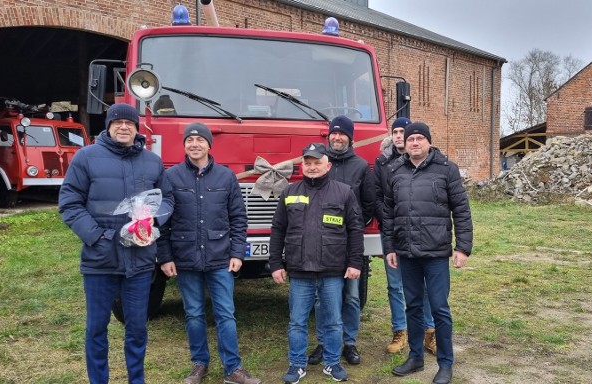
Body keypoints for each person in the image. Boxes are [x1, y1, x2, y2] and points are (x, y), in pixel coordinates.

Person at [59, 103, 172, 384]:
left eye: (129, 123)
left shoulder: (152, 161)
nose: (124, 127)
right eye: (118, 122)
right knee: (97, 327)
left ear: (137, 128)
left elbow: (167, 199)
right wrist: (98, 237)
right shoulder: (86, 158)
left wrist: (152, 222)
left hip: (141, 259)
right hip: (101, 259)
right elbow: (70, 204)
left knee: (137, 327)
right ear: (108, 126)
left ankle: (137, 379)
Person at [157, 123, 261, 384]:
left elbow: (238, 218)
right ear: (184, 145)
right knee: (193, 314)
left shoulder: (225, 177)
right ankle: (199, 364)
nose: (194, 144)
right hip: (185, 258)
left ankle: (233, 369)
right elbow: (162, 221)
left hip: (220, 258)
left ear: (208, 144)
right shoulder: (171, 177)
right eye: (189, 140)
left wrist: (238, 253)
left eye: (199, 140)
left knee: (226, 314)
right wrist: (165, 256)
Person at [381, 122, 473, 384]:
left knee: (440, 308)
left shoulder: (446, 170)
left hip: (435, 252)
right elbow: (388, 213)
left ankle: (445, 363)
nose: (414, 143)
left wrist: (463, 247)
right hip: (406, 252)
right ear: (405, 144)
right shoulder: (395, 171)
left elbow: (461, 210)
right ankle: (415, 357)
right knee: (413, 306)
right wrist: (390, 247)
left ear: (429, 142)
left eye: (420, 138)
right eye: (411, 139)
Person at [269, 142, 364, 384]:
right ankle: (297, 365)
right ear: (302, 165)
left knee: (333, 320)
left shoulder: (344, 192)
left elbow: (355, 230)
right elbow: (278, 229)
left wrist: (355, 263)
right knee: (297, 321)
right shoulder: (289, 192)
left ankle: (332, 363)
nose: (312, 167)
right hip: (299, 270)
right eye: (307, 163)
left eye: (317, 163)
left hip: (333, 270)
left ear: (328, 165)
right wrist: (275, 264)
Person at [308, 115, 375, 366]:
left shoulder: (361, 166)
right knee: (321, 296)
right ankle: (324, 342)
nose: (336, 138)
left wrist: (355, 223)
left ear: (350, 137)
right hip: (321, 243)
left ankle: (349, 342)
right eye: (333, 134)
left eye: (342, 134)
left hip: (349, 244)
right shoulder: (318, 163)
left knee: (351, 297)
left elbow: (369, 203)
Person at [373, 117, 437, 355]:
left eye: (404, 132)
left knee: (426, 284)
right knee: (395, 284)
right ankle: (400, 330)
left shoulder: (424, 161)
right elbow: (377, 197)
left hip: (422, 231)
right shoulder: (381, 163)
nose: (400, 136)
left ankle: (430, 332)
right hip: (392, 231)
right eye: (396, 132)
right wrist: (392, 220)